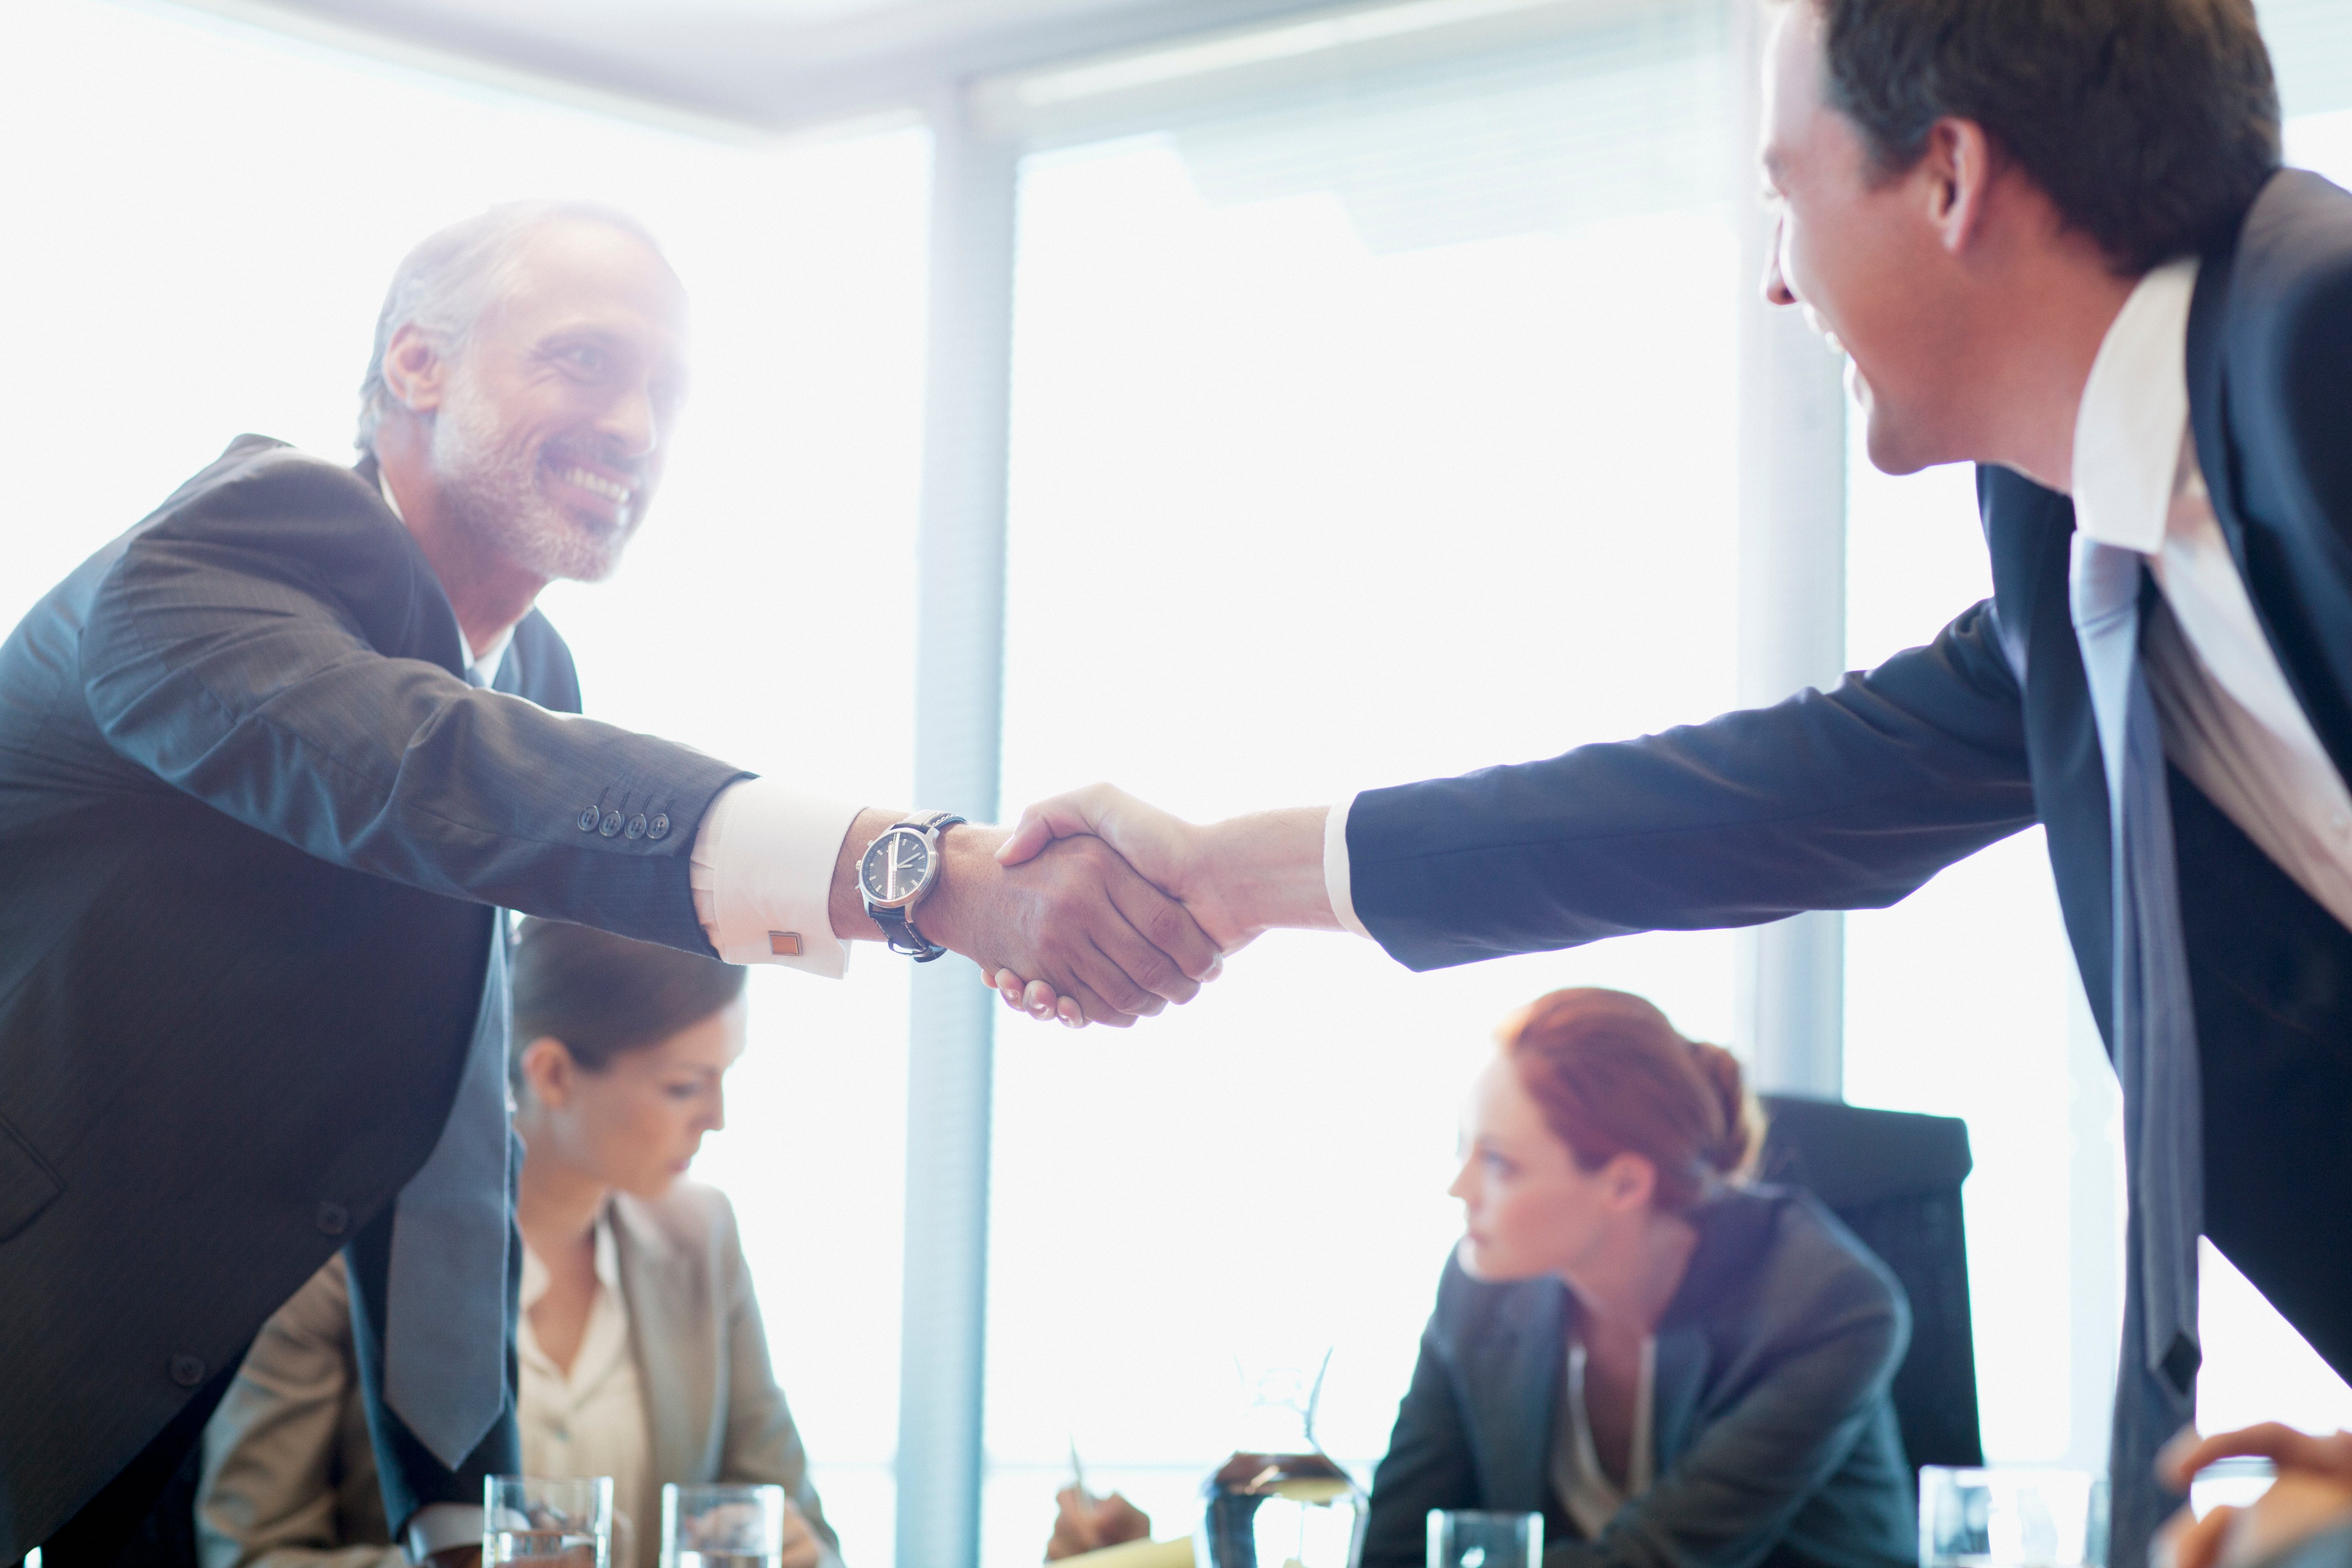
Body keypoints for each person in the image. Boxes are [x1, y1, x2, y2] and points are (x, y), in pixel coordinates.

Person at [989, 1, 2352, 1560]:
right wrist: (1233, 874)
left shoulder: (2324, 343)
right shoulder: (2077, 529)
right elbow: (1775, 797)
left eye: (1787, 187)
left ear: (1949, 176)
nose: (1777, 271)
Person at [0, 202, 1220, 1564]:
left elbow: (447, 1116)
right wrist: (913, 874)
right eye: (584, 361)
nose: (637, 429)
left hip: (141, 1441)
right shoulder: (241, 544)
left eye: (666, 392)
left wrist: (471, 1524)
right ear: (417, 365)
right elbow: (428, 767)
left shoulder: (530, 675)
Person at [195, 920, 840, 1568]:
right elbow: (247, 1552)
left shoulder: (705, 1238)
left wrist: (794, 1547)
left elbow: (800, 1515)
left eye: (726, 1075)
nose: (718, 1117)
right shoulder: (347, 1255)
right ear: (553, 1074)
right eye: (684, 1086)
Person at [1362, 989, 1909, 1568]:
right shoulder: (1479, 1288)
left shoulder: (1821, 1306)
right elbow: (1395, 1547)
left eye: (1498, 1162)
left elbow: (1654, 1564)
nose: (1459, 1188)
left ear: (1623, 1185)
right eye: (1463, 1148)